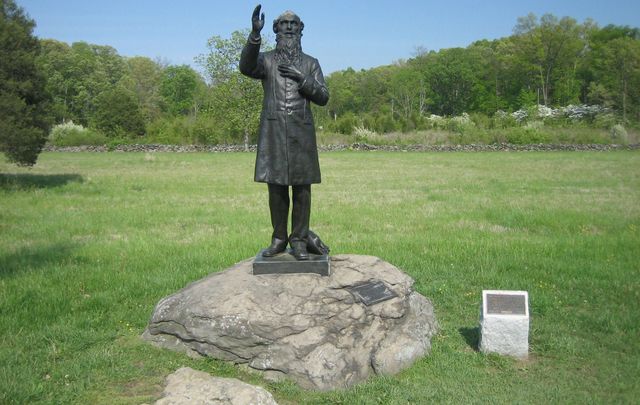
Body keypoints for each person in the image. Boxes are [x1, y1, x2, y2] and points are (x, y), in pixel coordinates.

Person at [240, 5, 329, 260]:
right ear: (275, 30)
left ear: (301, 30)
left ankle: (299, 240)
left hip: (302, 133)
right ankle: (279, 238)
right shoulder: (266, 60)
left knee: (302, 189)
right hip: (274, 132)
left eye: (293, 24)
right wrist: (254, 36)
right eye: (283, 24)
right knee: (276, 189)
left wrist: (303, 78)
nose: (288, 28)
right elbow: (246, 67)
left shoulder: (311, 63)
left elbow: (323, 96)